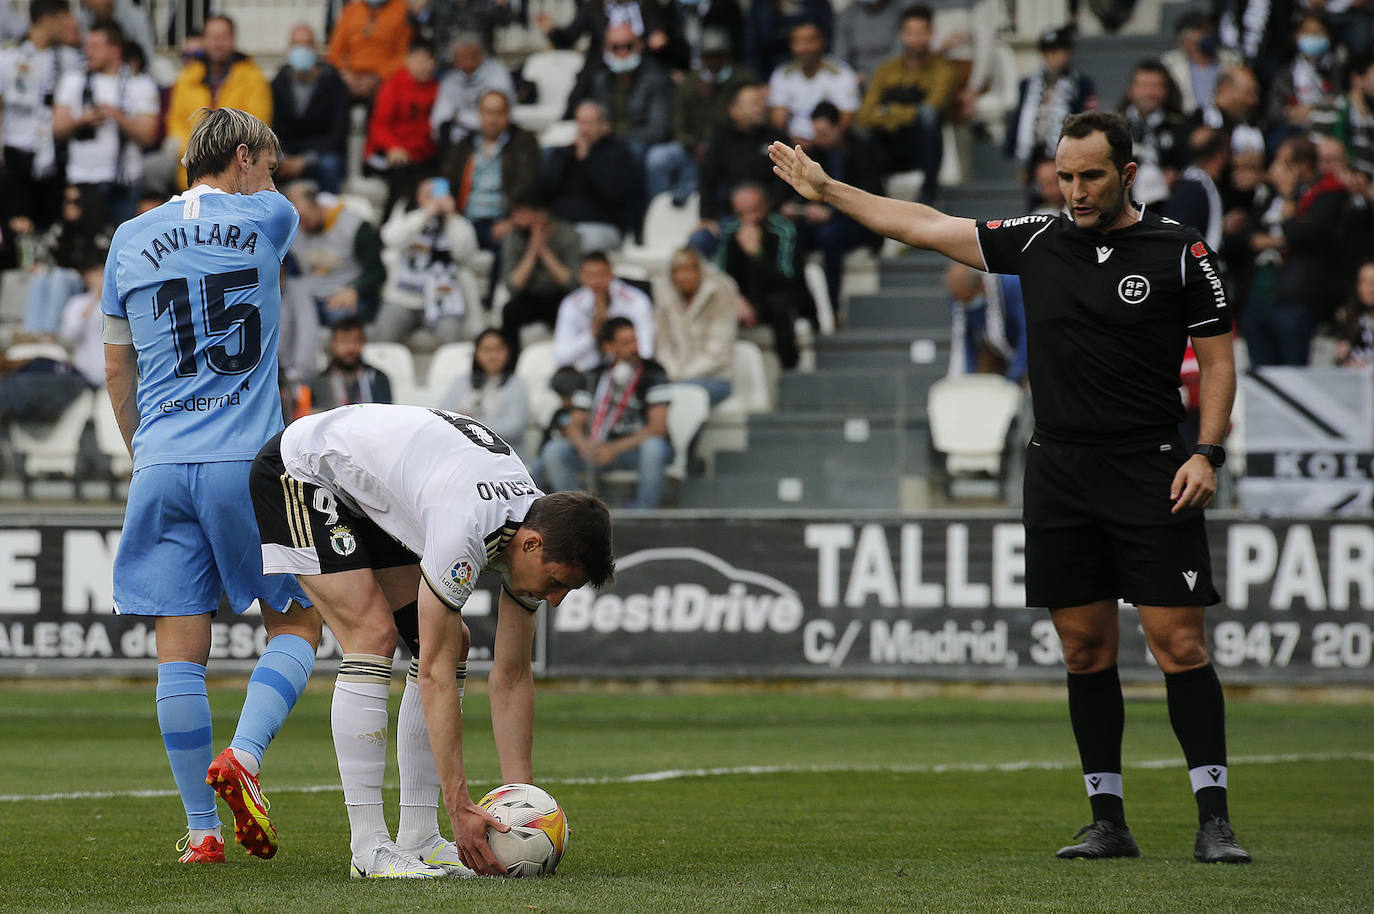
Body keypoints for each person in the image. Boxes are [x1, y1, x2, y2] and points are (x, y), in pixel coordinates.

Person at [770, 109, 1251, 864]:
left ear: (1127, 173)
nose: (1075, 190)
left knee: (1178, 644)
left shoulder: (1181, 252)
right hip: (1059, 470)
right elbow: (923, 225)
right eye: (1064, 176)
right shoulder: (1036, 239)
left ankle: (1214, 818)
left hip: (1152, 468)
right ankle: (1107, 819)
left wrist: (1209, 454)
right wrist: (830, 189)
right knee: (1084, 649)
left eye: (1091, 175)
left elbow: (1219, 363)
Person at [248, 403, 614, 876]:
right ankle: (368, 848)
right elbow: (435, 677)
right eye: (558, 582)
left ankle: (419, 838)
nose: (557, 599)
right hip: (301, 468)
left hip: (364, 486)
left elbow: (513, 673)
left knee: (450, 642)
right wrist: (460, 805)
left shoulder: (536, 523)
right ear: (531, 545)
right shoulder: (466, 527)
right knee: (373, 637)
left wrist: (521, 803)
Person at [101, 107, 323, 865]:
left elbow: (114, 368)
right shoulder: (269, 215)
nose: (274, 174)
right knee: (297, 628)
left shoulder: (127, 239)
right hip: (245, 464)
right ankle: (245, 757)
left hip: (159, 463)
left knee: (178, 655)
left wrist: (145, 451)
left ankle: (202, 831)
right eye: (267, 160)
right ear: (239, 157)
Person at [540, 316, 672, 508]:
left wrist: (614, 448)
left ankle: (644, 518)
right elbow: (574, 424)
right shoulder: (593, 375)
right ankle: (577, 515)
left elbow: (658, 428)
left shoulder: (654, 372)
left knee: (654, 447)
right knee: (554, 450)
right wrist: (587, 447)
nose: (634, 348)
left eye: (635, 340)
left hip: (635, 450)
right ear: (608, 347)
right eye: (626, 343)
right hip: (598, 449)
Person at [1245, 133, 1348, 367]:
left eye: (1282, 162)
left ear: (1301, 166)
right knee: (1260, 378)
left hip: (1295, 301)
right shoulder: (1269, 195)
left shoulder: (1329, 195)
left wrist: (1288, 196)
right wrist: (1279, 239)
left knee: (1292, 379)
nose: (1274, 169)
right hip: (1259, 296)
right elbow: (1250, 237)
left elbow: (1298, 235)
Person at [52, 20, 160, 227]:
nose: (88, 52)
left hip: (126, 182)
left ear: (115, 50)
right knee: (85, 253)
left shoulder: (140, 84)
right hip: (82, 179)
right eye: (86, 46)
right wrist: (82, 119)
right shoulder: (73, 80)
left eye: (95, 47)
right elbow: (57, 129)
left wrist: (115, 115)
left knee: (124, 250)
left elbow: (148, 136)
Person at [439, 90, 541, 292]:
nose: (492, 119)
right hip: (465, 218)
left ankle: (494, 304)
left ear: (508, 114)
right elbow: (445, 177)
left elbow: (528, 184)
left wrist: (511, 219)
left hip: (502, 220)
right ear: (479, 115)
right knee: (442, 242)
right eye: (487, 113)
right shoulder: (464, 145)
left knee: (509, 244)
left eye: (498, 113)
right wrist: (443, 201)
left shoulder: (523, 143)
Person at [158, 15, 272, 194]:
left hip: (237, 178)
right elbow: (175, 123)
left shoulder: (253, 78)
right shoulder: (187, 77)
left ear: (233, 40)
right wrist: (197, 151)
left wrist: (218, 153)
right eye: (212, 37)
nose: (217, 43)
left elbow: (256, 127)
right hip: (191, 174)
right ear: (203, 40)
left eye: (223, 37)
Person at [855, 4, 957, 204]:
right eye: (910, 33)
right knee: (863, 139)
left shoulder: (944, 70)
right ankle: (873, 201)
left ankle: (929, 192)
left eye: (921, 32)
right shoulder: (887, 69)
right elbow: (866, 114)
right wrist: (904, 115)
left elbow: (933, 107)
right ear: (902, 35)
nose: (916, 39)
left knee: (928, 118)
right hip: (889, 141)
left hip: (921, 143)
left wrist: (888, 111)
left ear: (930, 34)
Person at [0, 0, 84, 237]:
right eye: (64, 18)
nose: (69, 24)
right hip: (18, 154)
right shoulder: (9, 57)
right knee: (18, 230)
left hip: (56, 154)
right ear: (50, 20)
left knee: (53, 230)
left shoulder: (69, 59)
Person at [786, 101, 879, 306]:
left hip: (857, 221)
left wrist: (832, 213)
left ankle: (831, 304)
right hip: (820, 222)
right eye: (816, 133)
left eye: (824, 133)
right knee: (790, 233)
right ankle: (800, 304)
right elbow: (805, 193)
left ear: (839, 127)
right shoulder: (815, 154)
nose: (819, 139)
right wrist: (799, 209)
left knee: (830, 236)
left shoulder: (863, 151)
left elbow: (871, 196)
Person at [375, 175, 479, 345]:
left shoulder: (457, 222)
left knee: (452, 339)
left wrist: (450, 217)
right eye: (428, 194)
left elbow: (463, 253)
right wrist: (424, 215)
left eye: (437, 194)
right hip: (403, 299)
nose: (434, 199)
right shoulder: (407, 214)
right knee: (380, 337)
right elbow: (390, 238)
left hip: (443, 299)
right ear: (418, 196)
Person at [714, 181, 808, 369]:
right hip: (745, 299)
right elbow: (722, 276)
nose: (749, 218)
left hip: (781, 296)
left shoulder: (783, 230)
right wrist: (736, 298)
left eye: (753, 211)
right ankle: (720, 367)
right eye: (741, 213)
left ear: (765, 206)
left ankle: (789, 367)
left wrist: (756, 254)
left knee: (779, 303)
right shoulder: (731, 232)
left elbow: (788, 280)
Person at [663, 27, 757, 208]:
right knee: (659, 158)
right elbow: (678, 123)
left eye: (718, 56)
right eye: (709, 56)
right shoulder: (690, 83)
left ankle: (693, 199)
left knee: (714, 159)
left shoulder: (742, 79)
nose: (713, 62)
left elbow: (741, 120)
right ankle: (662, 208)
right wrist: (692, 145)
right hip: (692, 145)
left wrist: (713, 96)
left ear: (726, 56)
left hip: (727, 143)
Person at [693, 82, 789, 253]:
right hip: (729, 217)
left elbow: (785, 181)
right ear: (734, 110)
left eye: (761, 102)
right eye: (753, 104)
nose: (760, 108)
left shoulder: (777, 139)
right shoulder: (720, 140)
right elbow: (707, 181)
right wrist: (707, 217)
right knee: (698, 241)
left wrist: (764, 213)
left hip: (769, 217)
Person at [284, 181, 387, 327]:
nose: (302, 226)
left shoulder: (355, 227)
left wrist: (355, 290)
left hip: (345, 294)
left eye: (305, 219)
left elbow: (377, 272)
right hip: (310, 296)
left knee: (340, 316)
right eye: (298, 221)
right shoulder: (294, 229)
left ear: (317, 206)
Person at [543, 100, 638, 252]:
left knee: (581, 243)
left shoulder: (618, 154)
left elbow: (613, 194)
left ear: (605, 126)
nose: (584, 129)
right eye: (581, 123)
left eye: (590, 123)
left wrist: (588, 159)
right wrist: (566, 159)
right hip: (562, 223)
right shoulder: (563, 154)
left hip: (600, 224)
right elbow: (547, 189)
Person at [21, 184, 111, 338]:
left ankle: (50, 333)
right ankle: (31, 331)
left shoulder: (102, 231)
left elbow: (104, 266)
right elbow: (42, 253)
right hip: (60, 279)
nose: (68, 206)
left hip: (86, 285)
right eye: (66, 201)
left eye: (75, 202)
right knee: (40, 276)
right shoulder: (61, 228)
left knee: (60, 276)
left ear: (87, 203)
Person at [364, 38, 440, 219]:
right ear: (408, 60)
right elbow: (378, 126)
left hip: (420, 154)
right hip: (385, 152)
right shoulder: (393, 86)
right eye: (422, 60)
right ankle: (387, 228)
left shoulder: (437, 88)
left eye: (431, 61)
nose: (427, 66)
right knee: (402, 175)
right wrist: (393, 147)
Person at [1006, 26, 1097, 177]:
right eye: (1048, 52)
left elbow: (1087, 116)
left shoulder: (1081, 83)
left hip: (1065, 150)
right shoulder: (1028, 84)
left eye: (1057, 51)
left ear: (1068, 52)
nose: (1053, 57)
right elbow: (1020, 117)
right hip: (1033, 152)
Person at [271, 25, 351, 194]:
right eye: (296, 44)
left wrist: (305, 159)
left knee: (331, 165)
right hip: (286, 154)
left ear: (316, 49)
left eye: (306, 44)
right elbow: (272, 127)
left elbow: (337, 135)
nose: (301, 50)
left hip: (321, 154)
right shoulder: (278, 83)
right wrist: (284, 156)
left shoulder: (334, 84)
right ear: (288, 49)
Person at [652, 246, 737, 405]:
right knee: (653, 393)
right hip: (675, 377)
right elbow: (663, 346)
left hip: (715, 378)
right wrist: (674, 373)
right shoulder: (665, 296)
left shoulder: (718, 294)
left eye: (689, 270)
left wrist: (683, 377)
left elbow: (718, 352)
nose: (684, 277)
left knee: (684, 398)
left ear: (699, 271)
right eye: (678, 271)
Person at [498, 197, 583, 349]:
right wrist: (532, 249)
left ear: (541, 214)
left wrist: (543, 250)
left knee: (573, 309)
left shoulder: (568, 235)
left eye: (521, 213)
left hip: (561, 296)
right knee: (509, 311)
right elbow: (513, 287)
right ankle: (511, 363)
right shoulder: (513, 237)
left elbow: (572, 283)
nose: (515, 219)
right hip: (529, 296)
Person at [553, 251, 656, 371]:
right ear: (581, 277)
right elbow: (561, 357)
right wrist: (593, 334)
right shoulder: (571, 304)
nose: (596, 282)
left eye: (601, 275)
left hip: (628, 369)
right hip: (585, 373)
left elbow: (646, 350)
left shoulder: (635, 301)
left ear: (612, 273)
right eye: (590, 276)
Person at [767, 21, 860, 145]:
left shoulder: (841, 73)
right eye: (799, 42)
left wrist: (818, 143)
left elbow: (847, 119)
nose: (805, 48)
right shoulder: (782, 75)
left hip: (829, 144)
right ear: (791, 45)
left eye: (810, 41)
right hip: (792, 143)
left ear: (822, 42)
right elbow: (777, 121)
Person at [439, 327, 529, 449]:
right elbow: (443, 418)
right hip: (463, 451)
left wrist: (470, 422)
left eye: (498, 349)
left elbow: (514, 427)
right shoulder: (461, 382)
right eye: (486, 350)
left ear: (508, 352)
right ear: (476, 353)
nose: (492, 355)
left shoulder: (516, 385)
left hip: (503, 454)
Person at [1117, 59, 1188, 208]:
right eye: (1144, 86)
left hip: (1167, 207)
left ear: (1166, 91)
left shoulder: (1180, 127)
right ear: (1131, 90)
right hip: (1124, 207)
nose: (1150, 93)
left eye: (1156, 86)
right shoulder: (1116, 127)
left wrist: (1177, 177)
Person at [430, 33, 515, 153]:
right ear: (454, 59)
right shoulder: (450, 80)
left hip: (493, 133)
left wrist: (459, 116)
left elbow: (501, 112)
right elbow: (440, 119)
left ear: (481, 55)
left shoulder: (498, 73)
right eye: (461, 57)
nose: (467, 61)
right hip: (459, 141)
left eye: (471, 56)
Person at [328, 0, 413, 103]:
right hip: (350, 78)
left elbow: (405, 55)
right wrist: (347, 73)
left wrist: (379, 76)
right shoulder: (351, 10)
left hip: (385, 80)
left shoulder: (403, 10)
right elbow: (335, 52)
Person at [1160, 11, 1241, 115]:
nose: (1208, 36)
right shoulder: (1170, 63)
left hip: (1224, 118)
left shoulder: (1232, 60)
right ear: (1184, 39)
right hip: (1186, 119)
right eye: (1202, 32)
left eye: (1209, 31)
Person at [308, 318, 394, 411]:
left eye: (355, 342)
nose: (350, 348)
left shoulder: (377, 378)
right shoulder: (321, 381)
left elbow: (385, 415)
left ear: (363, 343)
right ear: (333, 344)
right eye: (344, 342)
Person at [831, 0, 899, 83]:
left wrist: (880, 75)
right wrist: (850, 76)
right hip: (857, 78)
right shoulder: (847, 14)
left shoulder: (898, 11)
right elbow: (840, 58)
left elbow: (899, 52)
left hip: (890, 75)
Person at [75, 0, 155, 66]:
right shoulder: (83, 18)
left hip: (129, 72)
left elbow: (146, 54)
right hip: (93, 73)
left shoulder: (135, 16)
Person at [1334, 258, 1374, 367]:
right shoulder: (1349, 318)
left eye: (1373, 282)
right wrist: (1344, 357)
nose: (1370, 288)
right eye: (1364, 282)